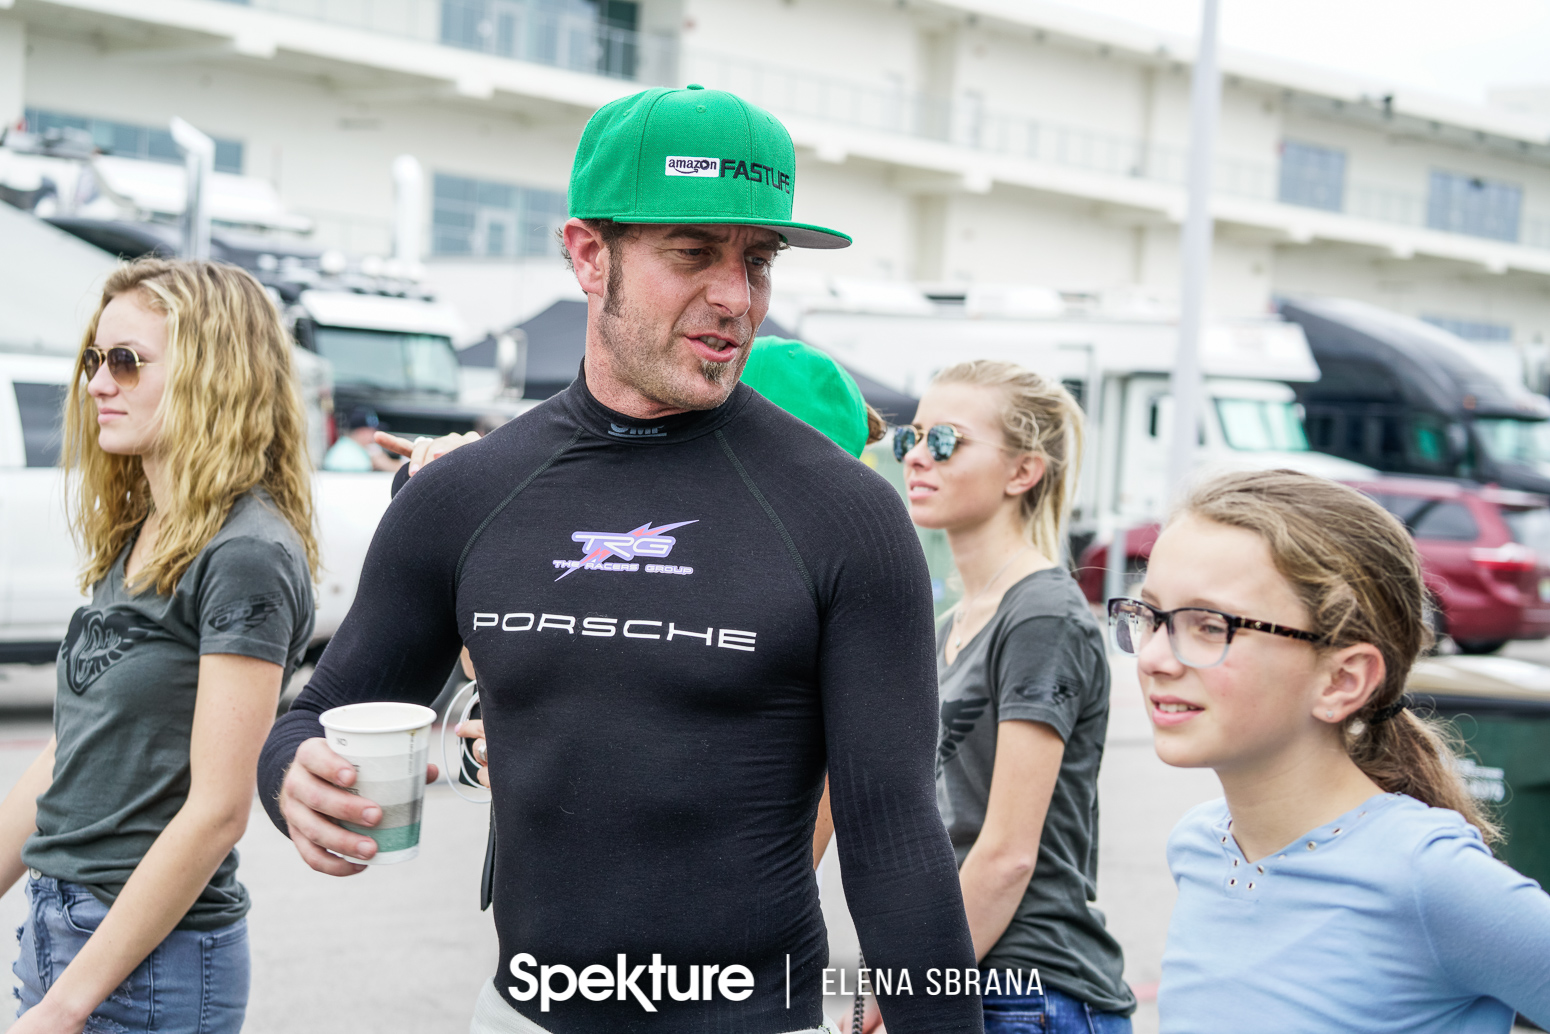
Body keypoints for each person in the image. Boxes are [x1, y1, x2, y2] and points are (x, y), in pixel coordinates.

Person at [258, 85, 981, 1034]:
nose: (735, 297)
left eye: (756, 261)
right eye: (692, 254)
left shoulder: (845, 515)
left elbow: (897, 843)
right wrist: (292, 780)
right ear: (588, 254)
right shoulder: (467, 496)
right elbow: (311, 715)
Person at [1109, 469, 1550, 1032]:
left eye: (1209, 625)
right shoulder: (1199, 844)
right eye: (1149, 616)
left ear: (1342, 681)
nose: (1152, 658)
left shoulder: (1427, 877)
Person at [0, 258, 318, 1033]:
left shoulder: (244, 552)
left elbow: (217, 811)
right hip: (62, 930)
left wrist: (67, 1006)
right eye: (92, 361)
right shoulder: (144, 532)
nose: (97, 383)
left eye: (125, 361)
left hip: (150, 968)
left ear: (213, 373)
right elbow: (69, 750)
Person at [854, 361, 1132, 1034]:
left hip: (1031, 990)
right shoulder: (950, 624)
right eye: (911, 438)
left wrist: (910, 995)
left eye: (945, 441)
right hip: (964, 974)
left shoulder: (1041, 613)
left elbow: (1007, 854)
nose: (917, 457)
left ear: (1022, 472)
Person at [322, 406, 402, 472]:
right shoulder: (349, 455)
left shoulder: (349, 447)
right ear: (361, 432)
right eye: (372, 431)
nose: (374, 436)